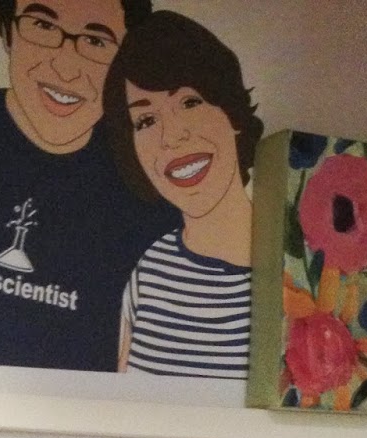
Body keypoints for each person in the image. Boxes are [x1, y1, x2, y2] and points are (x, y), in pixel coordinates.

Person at [0, 0, 176, 369]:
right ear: (8, 32)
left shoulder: (145, 174)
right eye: (42, 25)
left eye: (96, 41)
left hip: (64, 407)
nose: (65, 67)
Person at [103, 10, 262, 377]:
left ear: (232, 114)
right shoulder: (150, 271)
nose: (171, 137)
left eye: (190, 102)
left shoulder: (293, 272)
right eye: (146, 120)